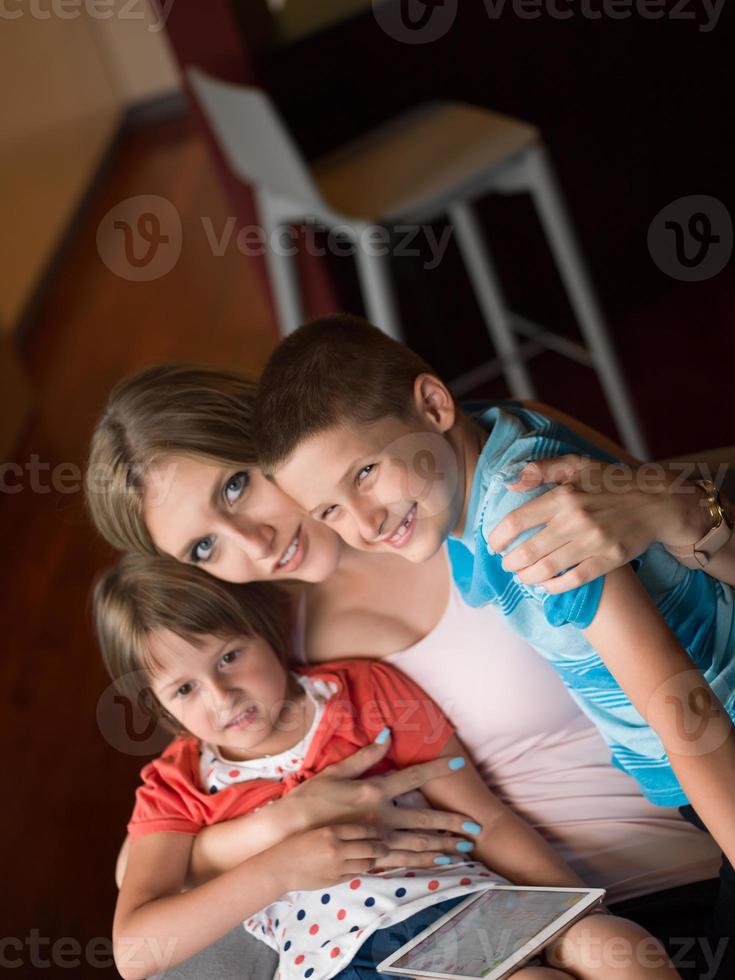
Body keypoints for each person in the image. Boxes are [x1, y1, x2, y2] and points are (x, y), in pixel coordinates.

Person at [253, 315, 735, 956]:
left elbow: (682, 709)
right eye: (330, 511)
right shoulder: (488, 442)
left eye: (365, 472)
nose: (364, 523)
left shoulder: (524, 521)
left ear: (432, 404)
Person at [93, 553, 680, 980]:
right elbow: (137, 950)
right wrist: (279, 868)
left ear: (263, 633)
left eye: (229, 657)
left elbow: (487, 820)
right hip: (340, 964)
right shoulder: (175, 787)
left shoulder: (365, 692)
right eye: (185, 689)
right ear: (158, 707)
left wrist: (575, 906)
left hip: (464, 907)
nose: (223, 697)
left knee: (620, 951)